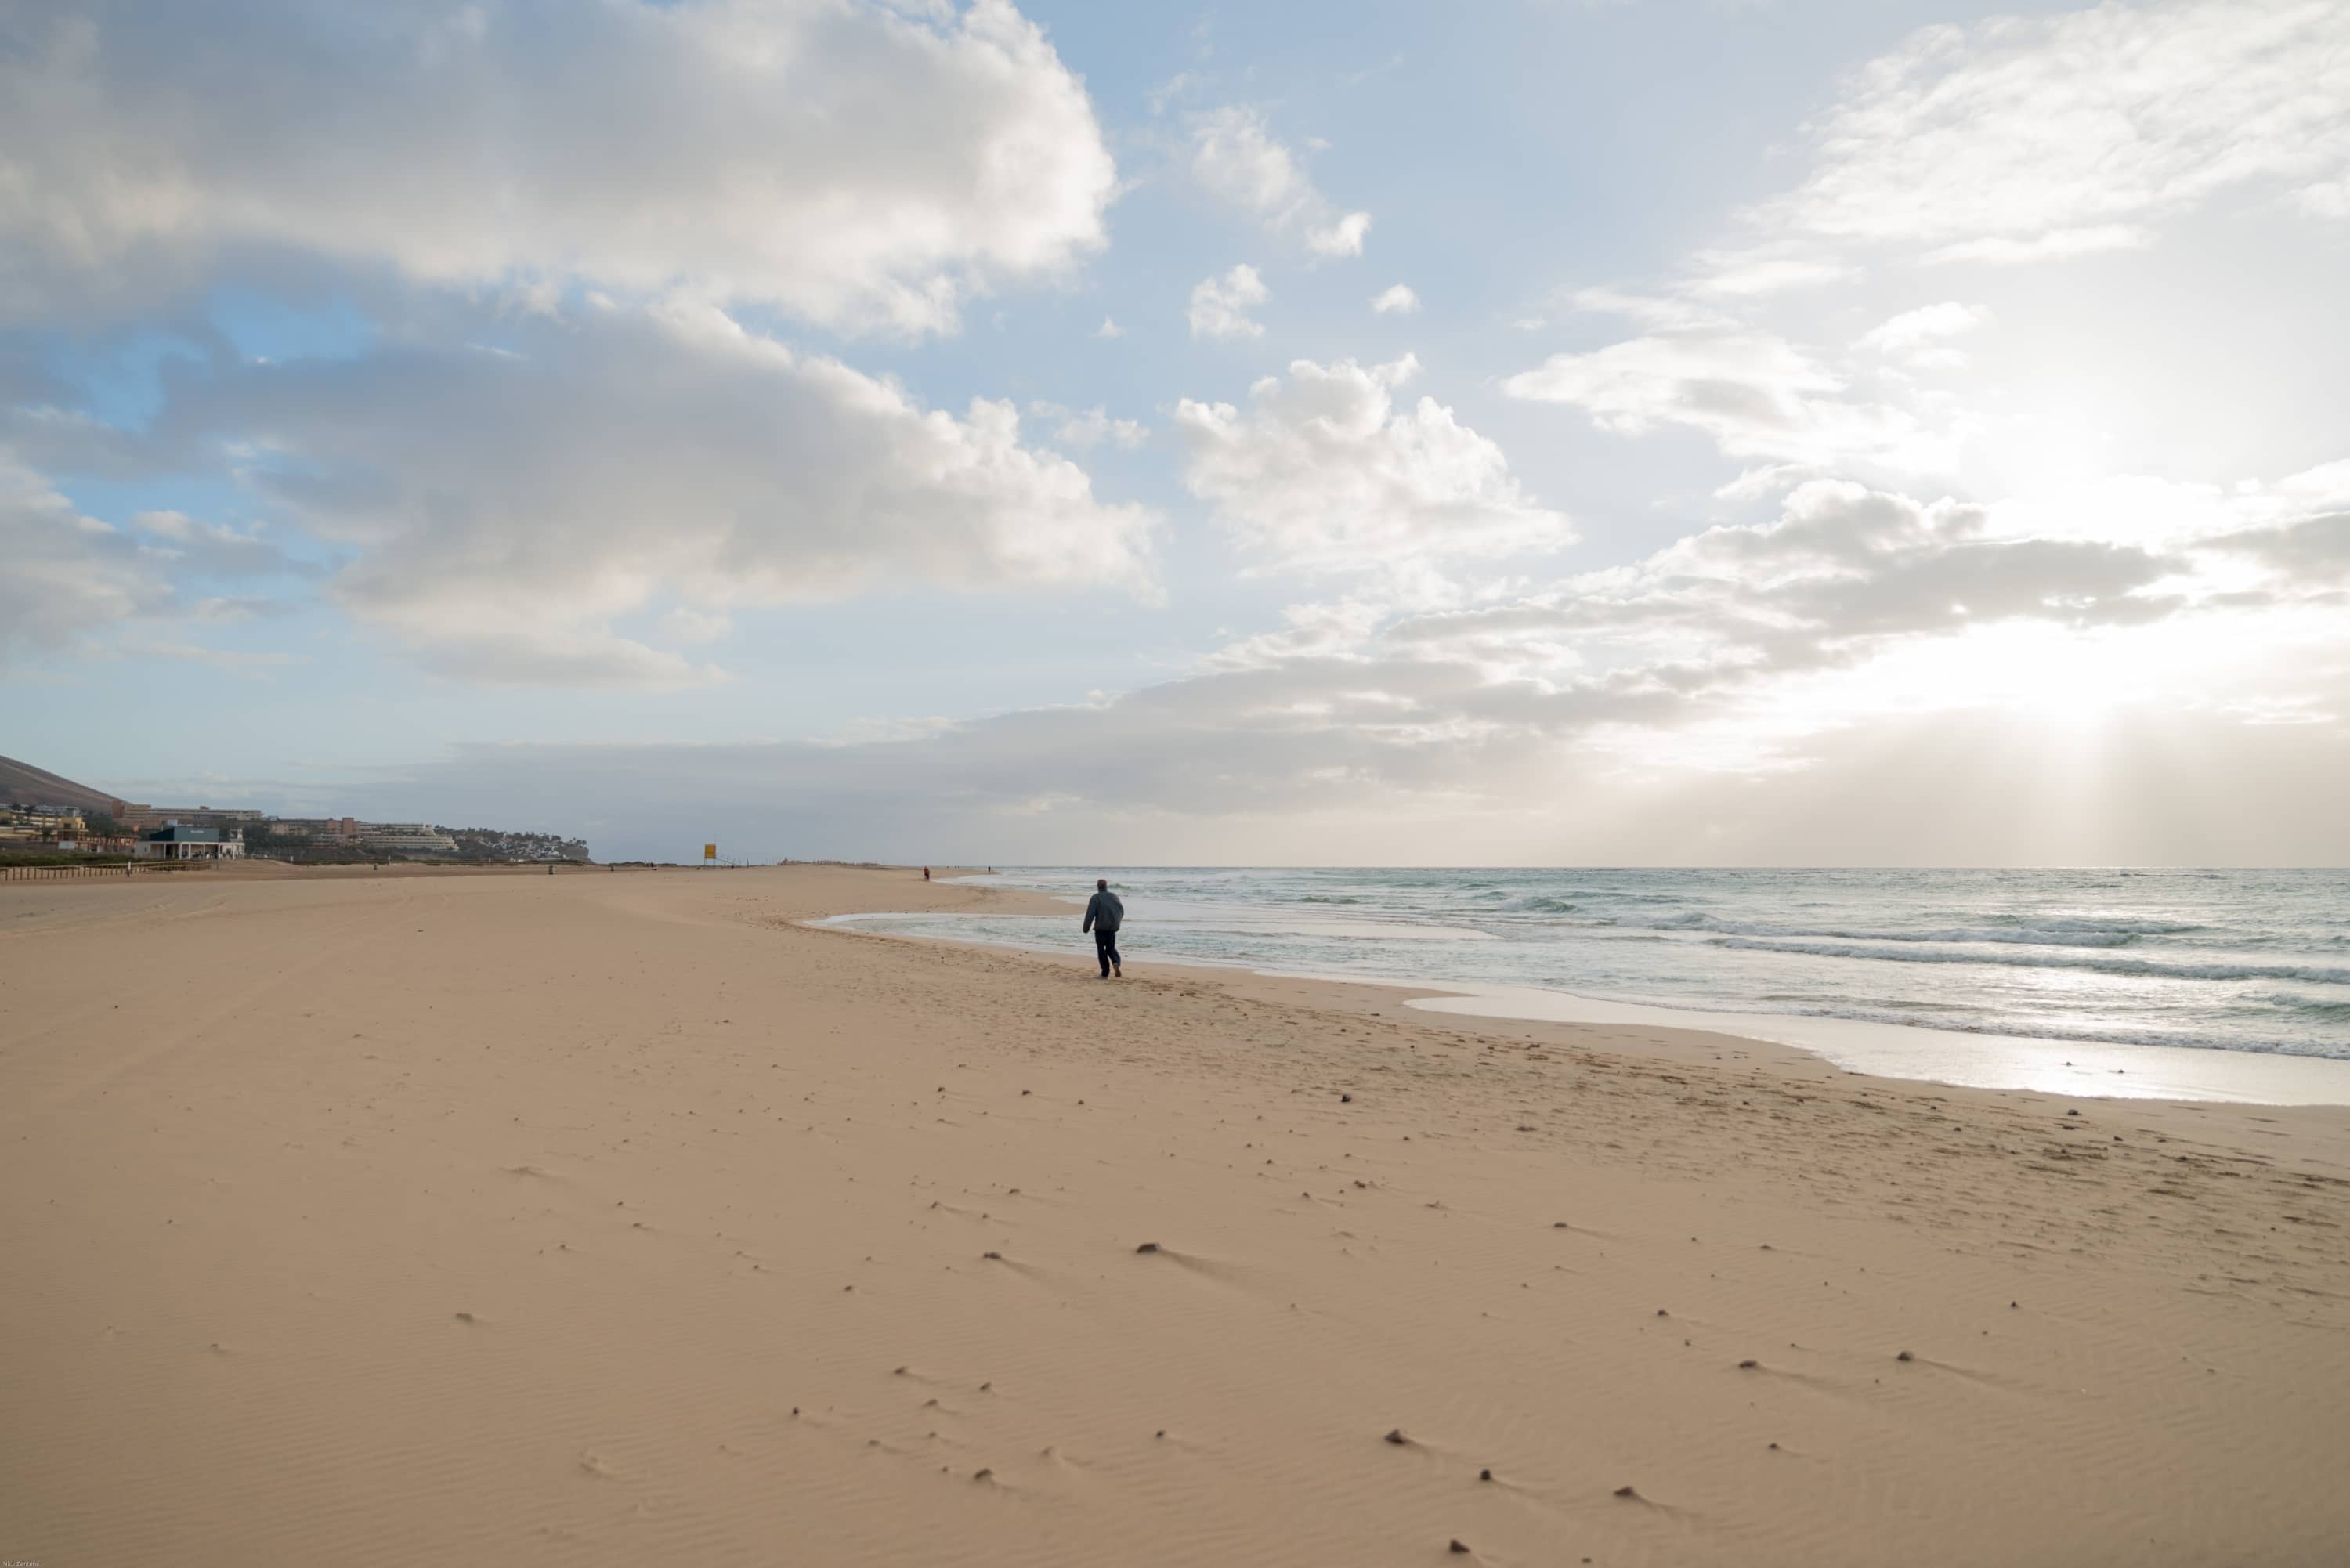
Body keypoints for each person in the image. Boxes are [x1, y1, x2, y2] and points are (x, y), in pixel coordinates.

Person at [1082, 877, 1123, 978]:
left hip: (1100, 929)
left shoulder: (1096, 898)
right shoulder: (1114, 896)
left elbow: (1090, 915)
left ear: (1098, 887)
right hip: (1112, 929)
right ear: (1106, 886)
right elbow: (1121, 911)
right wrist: (1116, 923)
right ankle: (1116, 962)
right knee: (1111, 948)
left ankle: (1105, 973)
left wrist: (1086, 928)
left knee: (1101, 950)